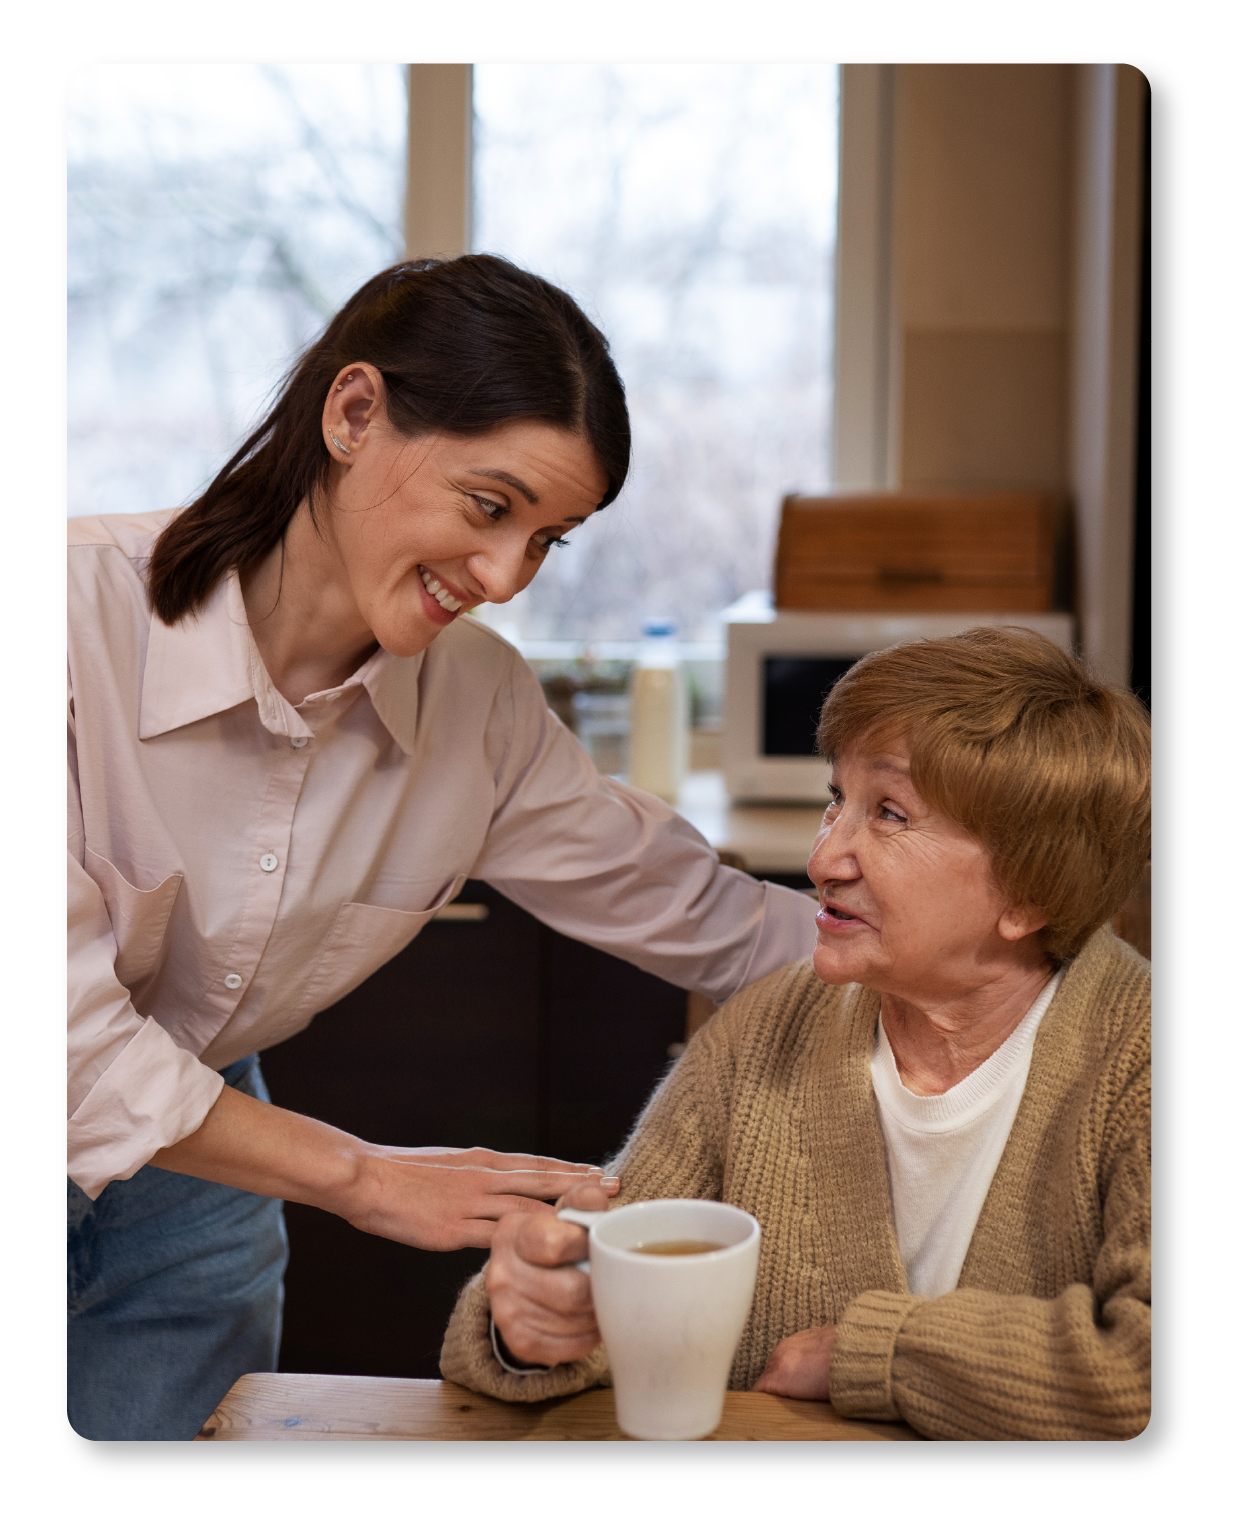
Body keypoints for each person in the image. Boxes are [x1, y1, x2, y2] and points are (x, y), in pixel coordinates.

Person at [67, 256, 816, 1440]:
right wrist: (368, 1177)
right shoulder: (79, 623)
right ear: (354, 413)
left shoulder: (479, 707)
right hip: (242, 1139)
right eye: (489, 506)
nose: (507, 577)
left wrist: (992, 958)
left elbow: (707, 918)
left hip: (206, 1171)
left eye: (548, 541)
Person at [441, 627, 1151, 1441]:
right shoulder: (765, 1029)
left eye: (888, 812)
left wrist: (872, 1354)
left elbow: (1134, 1369)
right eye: (835, 800)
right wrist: (532, 1319)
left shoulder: (1135, 1054)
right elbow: (607, 1282)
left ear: (1029, 892)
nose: (823, 857)